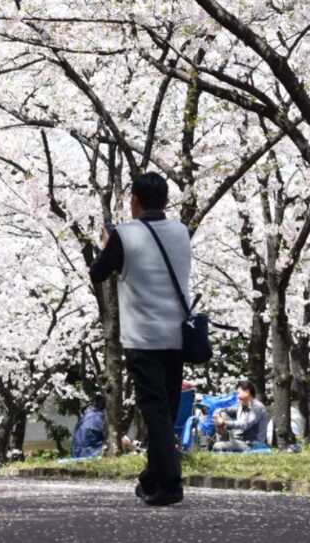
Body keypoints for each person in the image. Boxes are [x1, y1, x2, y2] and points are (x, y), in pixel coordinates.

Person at [90, 171, 191, 507]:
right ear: (166, 201)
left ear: (134, 201)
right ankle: (153, 477)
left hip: (143, 337)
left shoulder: (125, 235)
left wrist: (108, 243)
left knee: (155, 409)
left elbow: (98, 272)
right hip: (177, 335)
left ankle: (170, 484)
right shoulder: (181, 232)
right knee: (167, 409)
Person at [212, 380, 268, 452]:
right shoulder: (241, 406)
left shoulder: (257, 407)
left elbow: (245, 424)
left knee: (217, 446)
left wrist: (224, 422)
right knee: (222, 414)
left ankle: (222, 445)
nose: (237, 396)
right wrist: (217, 413)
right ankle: (223, 441)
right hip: (240, 441)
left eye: (238, 393)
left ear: (247, 392)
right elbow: (227, 410)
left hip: (252, 444)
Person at [71, 394, 106, 459]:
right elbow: (111, 437)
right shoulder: (100, 417)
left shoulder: (86, 416)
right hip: (91, 453)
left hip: (76, 453)